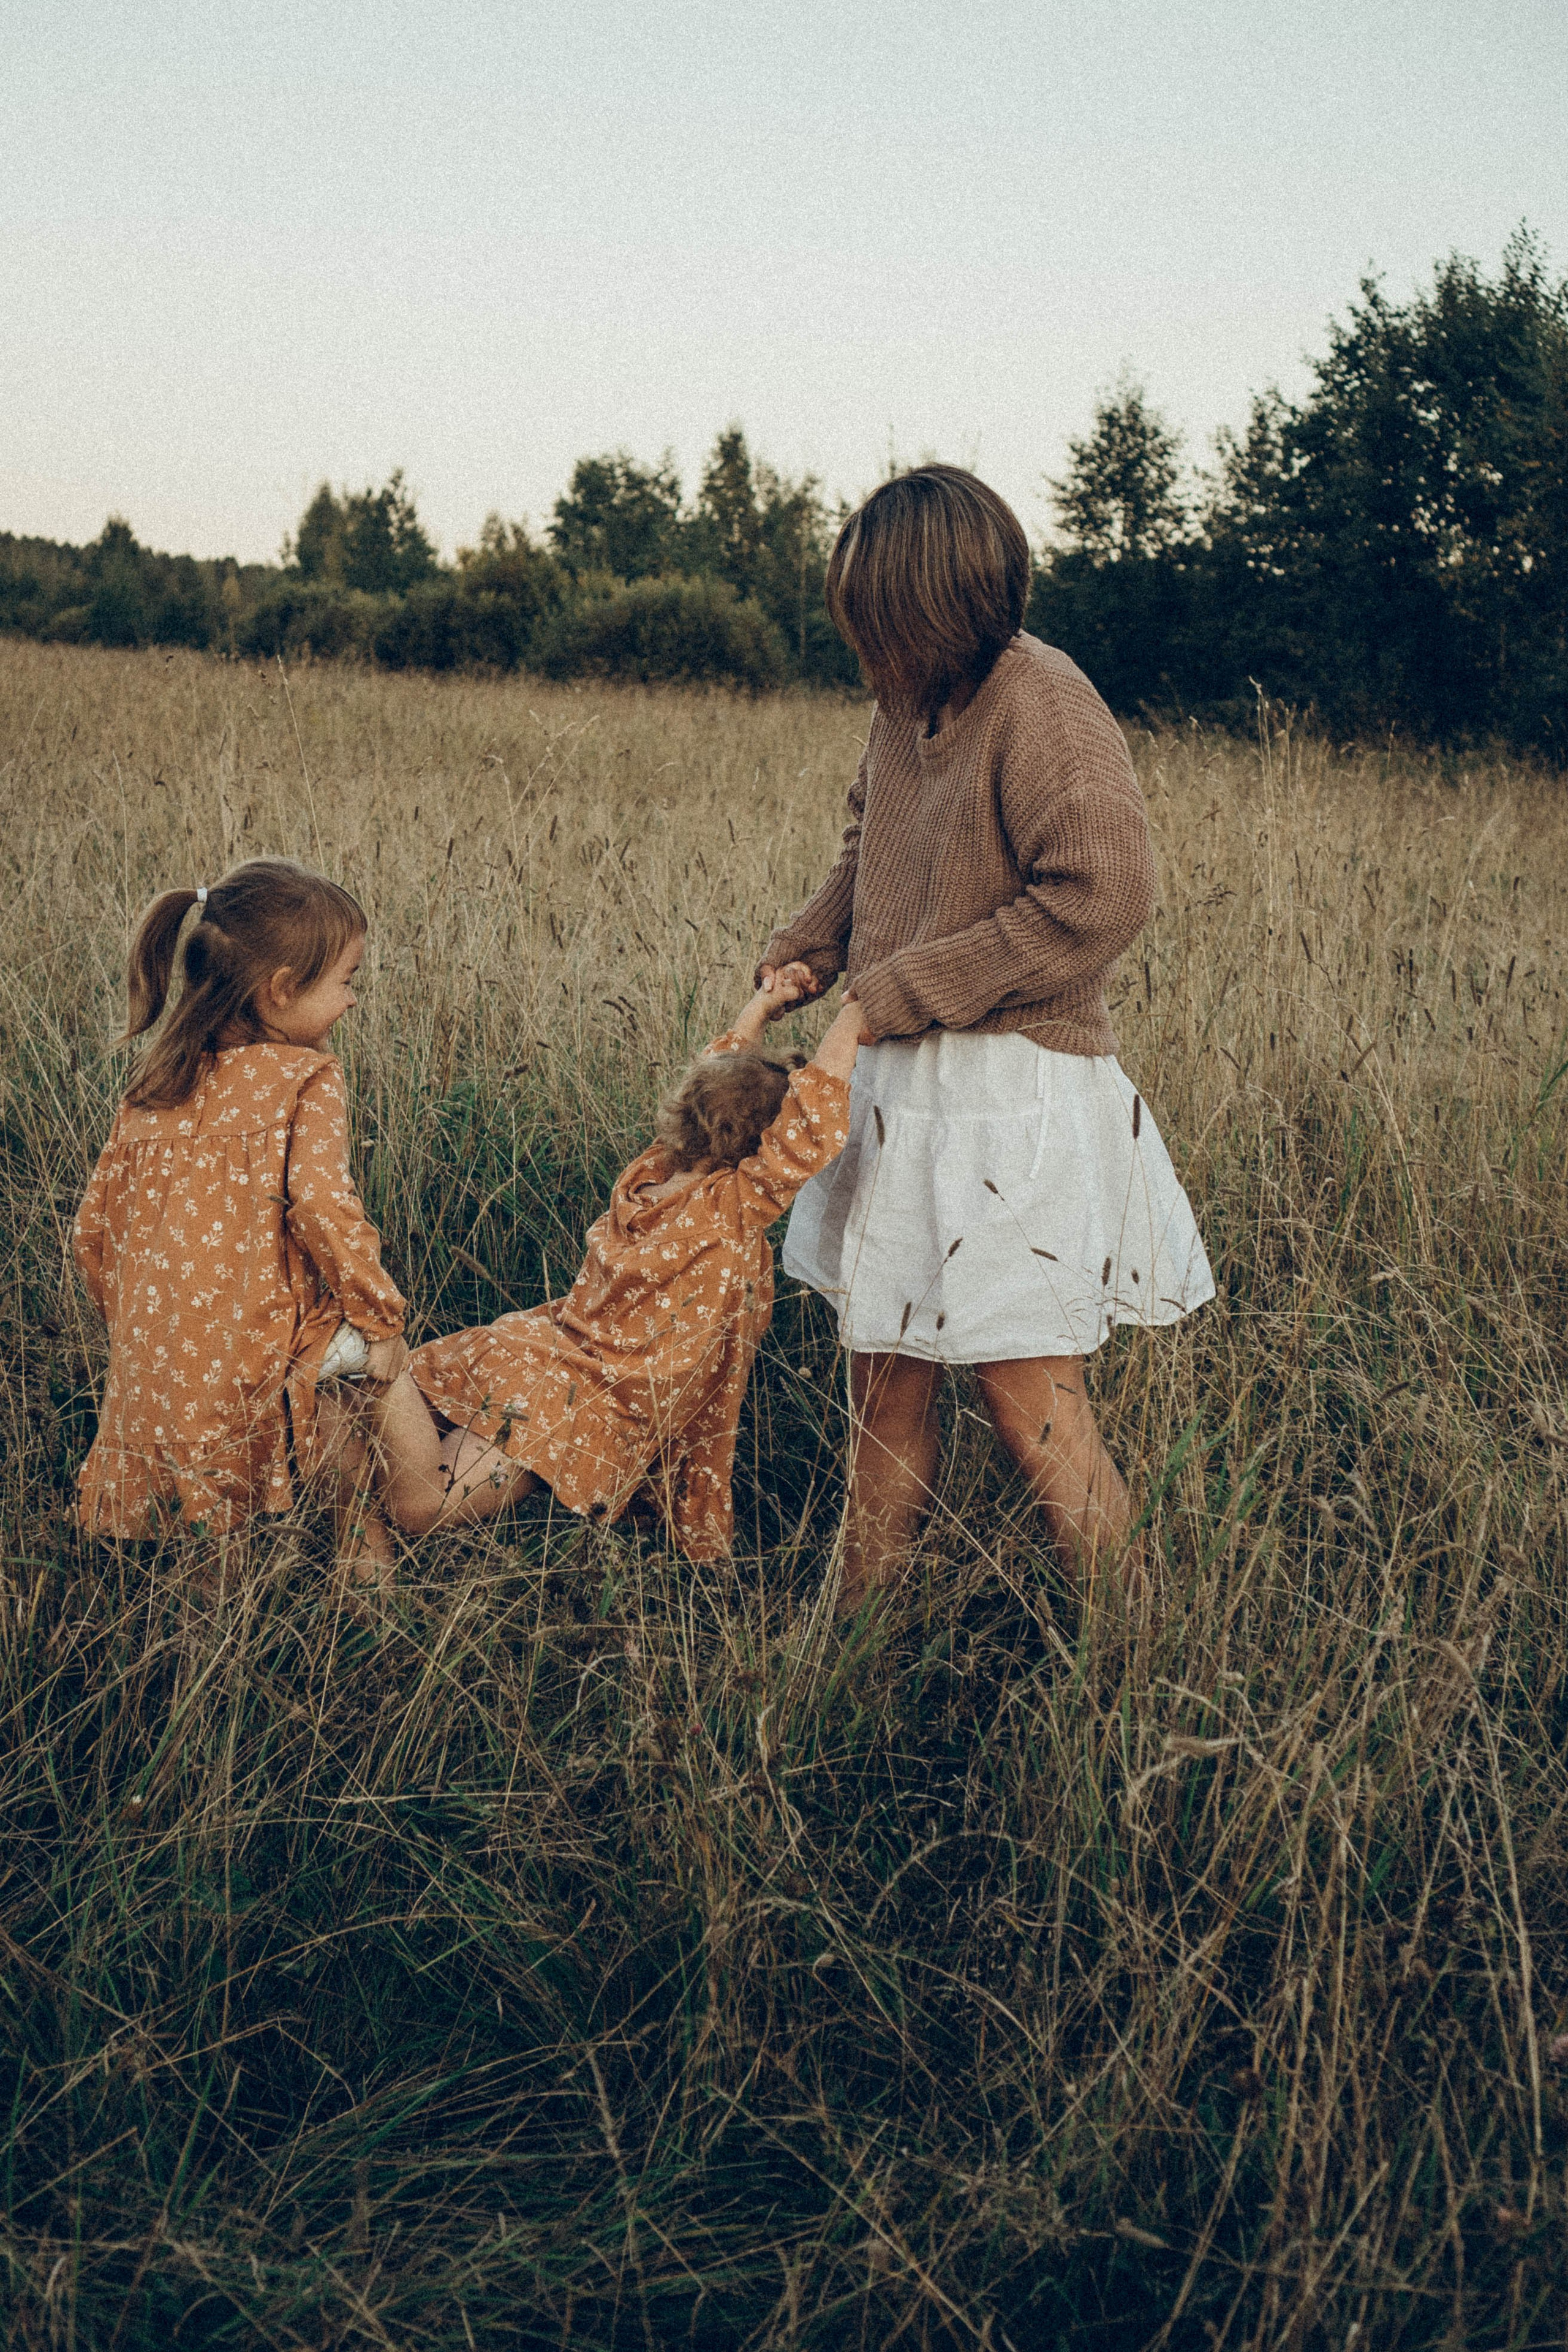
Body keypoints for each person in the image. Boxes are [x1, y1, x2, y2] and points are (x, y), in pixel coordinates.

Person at [756, 464, 1214, 1615]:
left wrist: (900, 986)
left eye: (875, 618)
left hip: (1011, 1097)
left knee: (1029, 1400)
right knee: (884, 1380)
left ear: (932, 607)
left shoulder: (1041, 696)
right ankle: (851, 1641)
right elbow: (874, 844)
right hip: (904, 1087)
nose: (862, 644)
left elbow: (1104, 892)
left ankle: (1137, 1647)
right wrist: (815, 945)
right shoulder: (908, 700)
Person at [364, 981, 864, 1557]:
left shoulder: (649, 1172)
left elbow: (718, 1072)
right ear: (756, 1146)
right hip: (573, 1401)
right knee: (423, 1505)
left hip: (527, 1348)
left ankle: (359, 1407)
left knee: (374, 1452)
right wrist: (851, 1018)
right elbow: (808, 1128)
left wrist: (760, 1009)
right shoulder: (726, 1209)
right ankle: (371, 1351)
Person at [72, 858, 408, 1572]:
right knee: (347, 1382)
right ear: (282, 991)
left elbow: (93, 1232)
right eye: (346, 981)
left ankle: (208, 1658)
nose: (352, 1000)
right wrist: (380, 1316)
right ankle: (367, 1585)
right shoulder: (306, 1078)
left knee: (204, 1547)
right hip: (260, 1345)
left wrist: (145, 1330)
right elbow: (322, 1207)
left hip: (156, 1358)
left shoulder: (152, 1089)